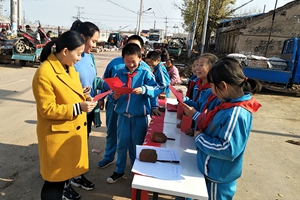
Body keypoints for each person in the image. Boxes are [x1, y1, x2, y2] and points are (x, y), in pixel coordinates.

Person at [32, 30, 98, 200]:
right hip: (57, 136)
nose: (80, 58)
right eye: (78, 54)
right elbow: (47, 109)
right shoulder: (44, 73)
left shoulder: (69, 68)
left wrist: (85, 96)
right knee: (53, 182)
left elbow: (72, 91)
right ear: (65, 51)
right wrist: (79, 107)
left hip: (68, 134)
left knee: (61, 180)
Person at [187, 56, 262, 200]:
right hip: (212, 169)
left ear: (223, 86)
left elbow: (228, 149)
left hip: (218, 175)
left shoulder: (236, 112)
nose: (212, 92)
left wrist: (199, 138)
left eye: (213, 87)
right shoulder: (228, 105)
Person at [97, 35, 152, 169]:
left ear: (141, 52)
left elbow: (154, 88)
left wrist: (149, 98)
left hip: (136, 110)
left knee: (135, 141)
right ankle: (110, 158)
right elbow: (106, 82)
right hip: (116, 104)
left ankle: (135, 166)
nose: (130, 63)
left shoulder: (145, 70)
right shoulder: (115, 64)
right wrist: (103, 97)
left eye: (135, 48)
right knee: (112, 132)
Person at [106, 43, 159, 183]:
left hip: (139, 117)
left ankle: (137, 171)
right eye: (127, 61)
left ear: (140, 59)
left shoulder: (146, 73)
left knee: (137, 146)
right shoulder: (118, 73)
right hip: (123, 116)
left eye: (133, 61)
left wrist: (144, 89)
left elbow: (156, 90)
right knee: (121, 144)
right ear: (123, 59)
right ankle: (119, 170)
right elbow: (111, 94)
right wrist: (114, 97)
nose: (130, 64)